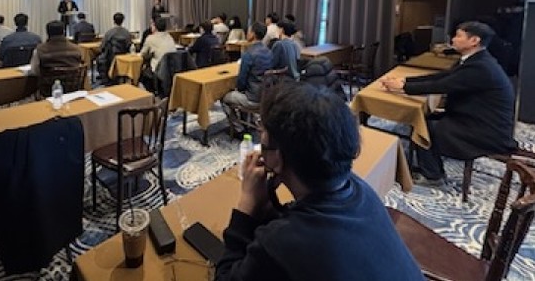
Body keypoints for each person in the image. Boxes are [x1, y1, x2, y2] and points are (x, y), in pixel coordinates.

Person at [216, 82, 423, 280]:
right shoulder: (360, 189)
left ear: (277, 158)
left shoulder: (280, 241)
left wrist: (246, 205)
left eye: (263, 133)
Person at [381, 21, 516, 185]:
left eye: (459, 36)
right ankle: (430, 166)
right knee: (424, 118)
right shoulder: (477, 61)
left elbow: (440, 85)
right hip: (474, 117)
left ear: (474, 41)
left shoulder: (480, 67)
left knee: (424, 127)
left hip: (484, 129)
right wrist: (405, 81)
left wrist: (403, 87)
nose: (453, 39)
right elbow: (442, 77)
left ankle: (433, 175)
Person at [222, 22, 272, 111]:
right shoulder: (269, 52)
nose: (246, 34)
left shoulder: (248, 54)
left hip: (252, 98)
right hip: (266, 96)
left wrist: (237, 89)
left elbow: (241, 81)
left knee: (224, 97)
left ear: (253, 34)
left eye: (248, 31)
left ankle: (235, 120)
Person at [139, 17, 176, 92]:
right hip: (171, 69)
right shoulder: (169, 36)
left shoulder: (150, 38)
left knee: (141, 73)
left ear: (155, 27)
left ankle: (149, 93)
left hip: (158, 69)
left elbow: (142, 54)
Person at [97, 12, 132, 82]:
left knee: (99, 58)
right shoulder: (127, 33)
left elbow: (102, 46)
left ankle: (105, 78)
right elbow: (129, 45)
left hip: (110, 58)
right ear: (123, 21)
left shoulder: (109, 33)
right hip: (123, 58)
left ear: (113, 21)